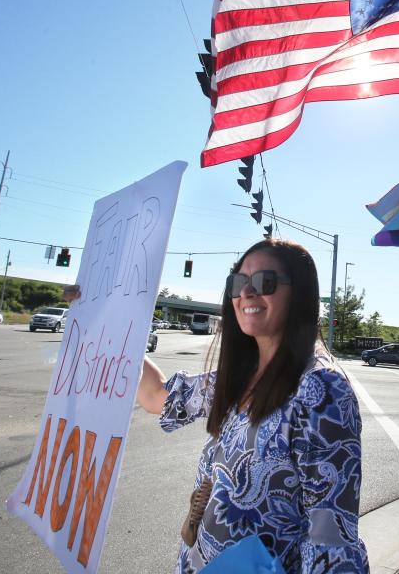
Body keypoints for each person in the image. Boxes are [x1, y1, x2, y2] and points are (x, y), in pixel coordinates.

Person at [71, 239, 369, 572]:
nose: (247, 293)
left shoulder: (320, 387)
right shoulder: (239, 377)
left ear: (298, 293)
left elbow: (331, 537)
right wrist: (107, 319)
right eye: (238, 283)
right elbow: (156, 396)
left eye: (264, 282)